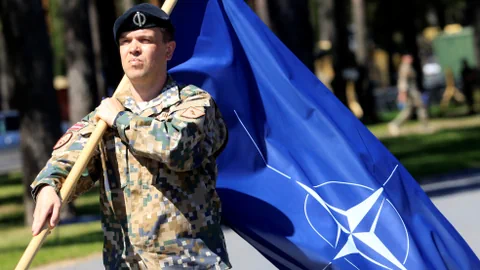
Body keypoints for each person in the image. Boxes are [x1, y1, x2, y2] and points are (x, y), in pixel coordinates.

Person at [30, 3, 231, 269]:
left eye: (145, 40)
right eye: (126, 41)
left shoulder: (194, 103)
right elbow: (69, 158)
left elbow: (177, 147)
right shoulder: (103, 117)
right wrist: (47, 187)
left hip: (190, 263)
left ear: (168, 50)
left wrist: (121, 119)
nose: (133, 48)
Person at [388, 54, 429, 136]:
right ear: (404, 59)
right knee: (421, 106)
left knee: (409, 110)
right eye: (408, 58)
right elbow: (403, 81)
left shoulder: (407, 66)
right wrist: (402, 93)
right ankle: (425, 126)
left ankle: (395, 125)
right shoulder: (405, 67)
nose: (411, 59)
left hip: (411, 90)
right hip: (410, 91)